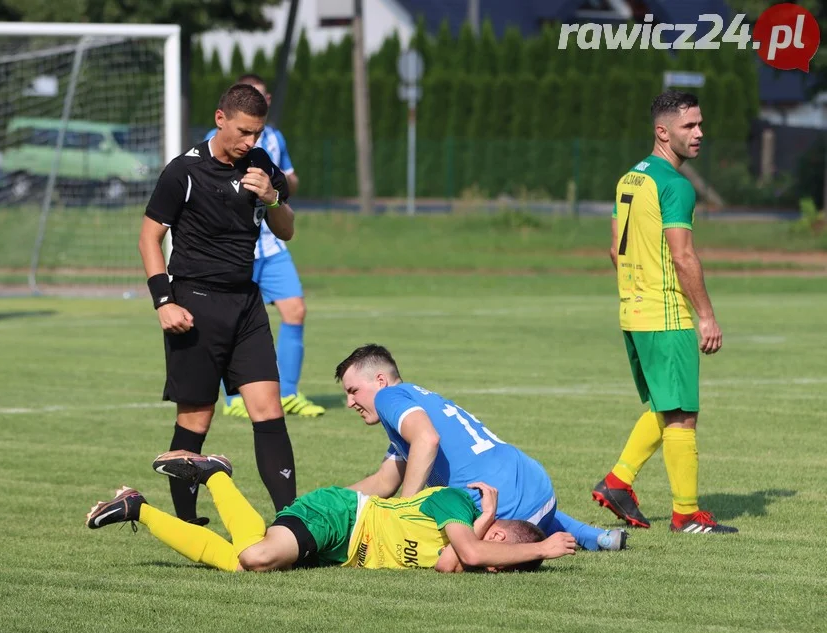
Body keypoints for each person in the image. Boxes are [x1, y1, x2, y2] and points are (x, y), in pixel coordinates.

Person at [138, 83, 299, 525]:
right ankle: (188, 521)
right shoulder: (182, 172)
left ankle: (291, 521)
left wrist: (273, 197)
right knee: (197, 415)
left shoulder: (262, 164)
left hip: (246, 304)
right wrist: (163, 302)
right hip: (195, 304)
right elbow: (149, 237)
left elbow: (286, 230)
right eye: (244, 132)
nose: (250, 142)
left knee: (269, 408)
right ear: (220, 118)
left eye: (258, 134)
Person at [591, 91, 737, 535]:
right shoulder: (675, 185)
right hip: (666, 313)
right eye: (689, 126)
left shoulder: (629, 179)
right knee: (682, 414)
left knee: (663, 404)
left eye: (700, 124)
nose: (699, 133)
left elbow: (616, 250)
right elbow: (683, 256)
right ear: (662, 131)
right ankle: (687, 514)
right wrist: (706, 315)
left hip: (633, 313)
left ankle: (617, 481)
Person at [335, 344, 627, 552]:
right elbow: (384, 481)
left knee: (446, 554)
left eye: (353, 391)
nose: (350, 403)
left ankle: (535, 546)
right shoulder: (416, 403)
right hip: (539, 489)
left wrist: (405, 511)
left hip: (509, 510)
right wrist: (329, 501)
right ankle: (597, 537)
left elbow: (427, 441)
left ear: (381, 380)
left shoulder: (389, 398)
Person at [85, 451, 577, 573]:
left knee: (242, 560)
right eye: (502, 560)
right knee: (255, 559)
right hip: (338, 516)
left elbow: (455, 561)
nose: (492, 570)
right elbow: (468, 554)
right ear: (497, 539)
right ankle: (213, 475)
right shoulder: (454, 501)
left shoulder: (468, 538)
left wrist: (486, 527)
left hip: (339, 548)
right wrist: (546, 548)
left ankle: (140, 508)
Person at [204, 74, 325, 419]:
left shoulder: (274, 138)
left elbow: (288, 181)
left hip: (270, 244)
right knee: (230, 319)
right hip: (234, 246)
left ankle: (287, 392)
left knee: (295, 310)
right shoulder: (217, 141)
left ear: (268, 101)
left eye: (261, 98)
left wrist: (279, 185)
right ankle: (235, 397)